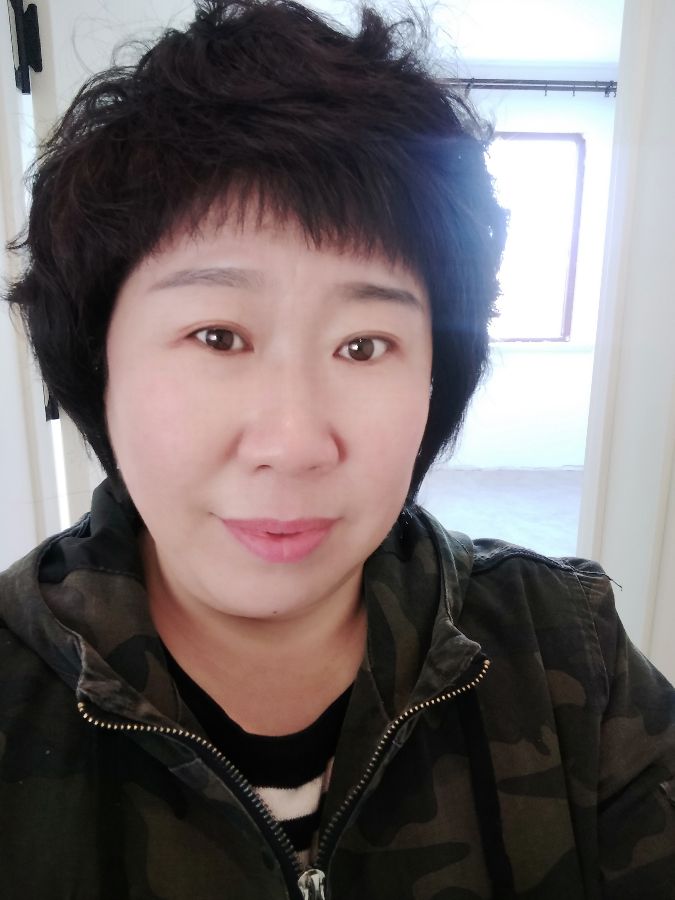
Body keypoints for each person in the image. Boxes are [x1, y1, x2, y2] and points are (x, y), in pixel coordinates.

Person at [1, 1, 673, 897]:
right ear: (99, 362)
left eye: (363, 346)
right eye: (217, 337)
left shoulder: (565, 654)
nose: (293, 444)